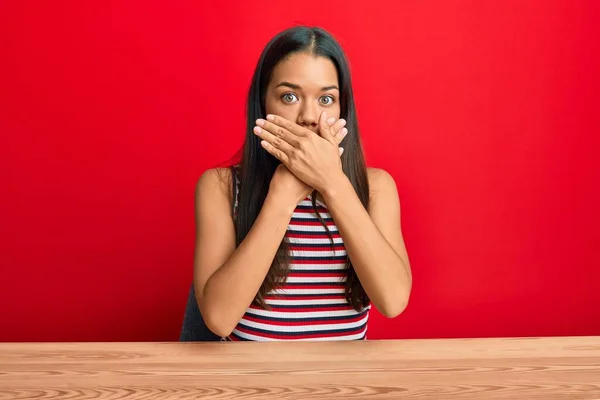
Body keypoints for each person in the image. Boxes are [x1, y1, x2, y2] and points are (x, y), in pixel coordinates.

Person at [193, 26, 412, 341]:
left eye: (326, 98)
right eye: (289, 96)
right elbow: (218, 319)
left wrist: (332, 183)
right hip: (253, 384)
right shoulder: (221, 187)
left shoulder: (376, 188)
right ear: (263, 103)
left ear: (343, 109)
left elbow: (392, 302)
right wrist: (281, 197)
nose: (309, 116)